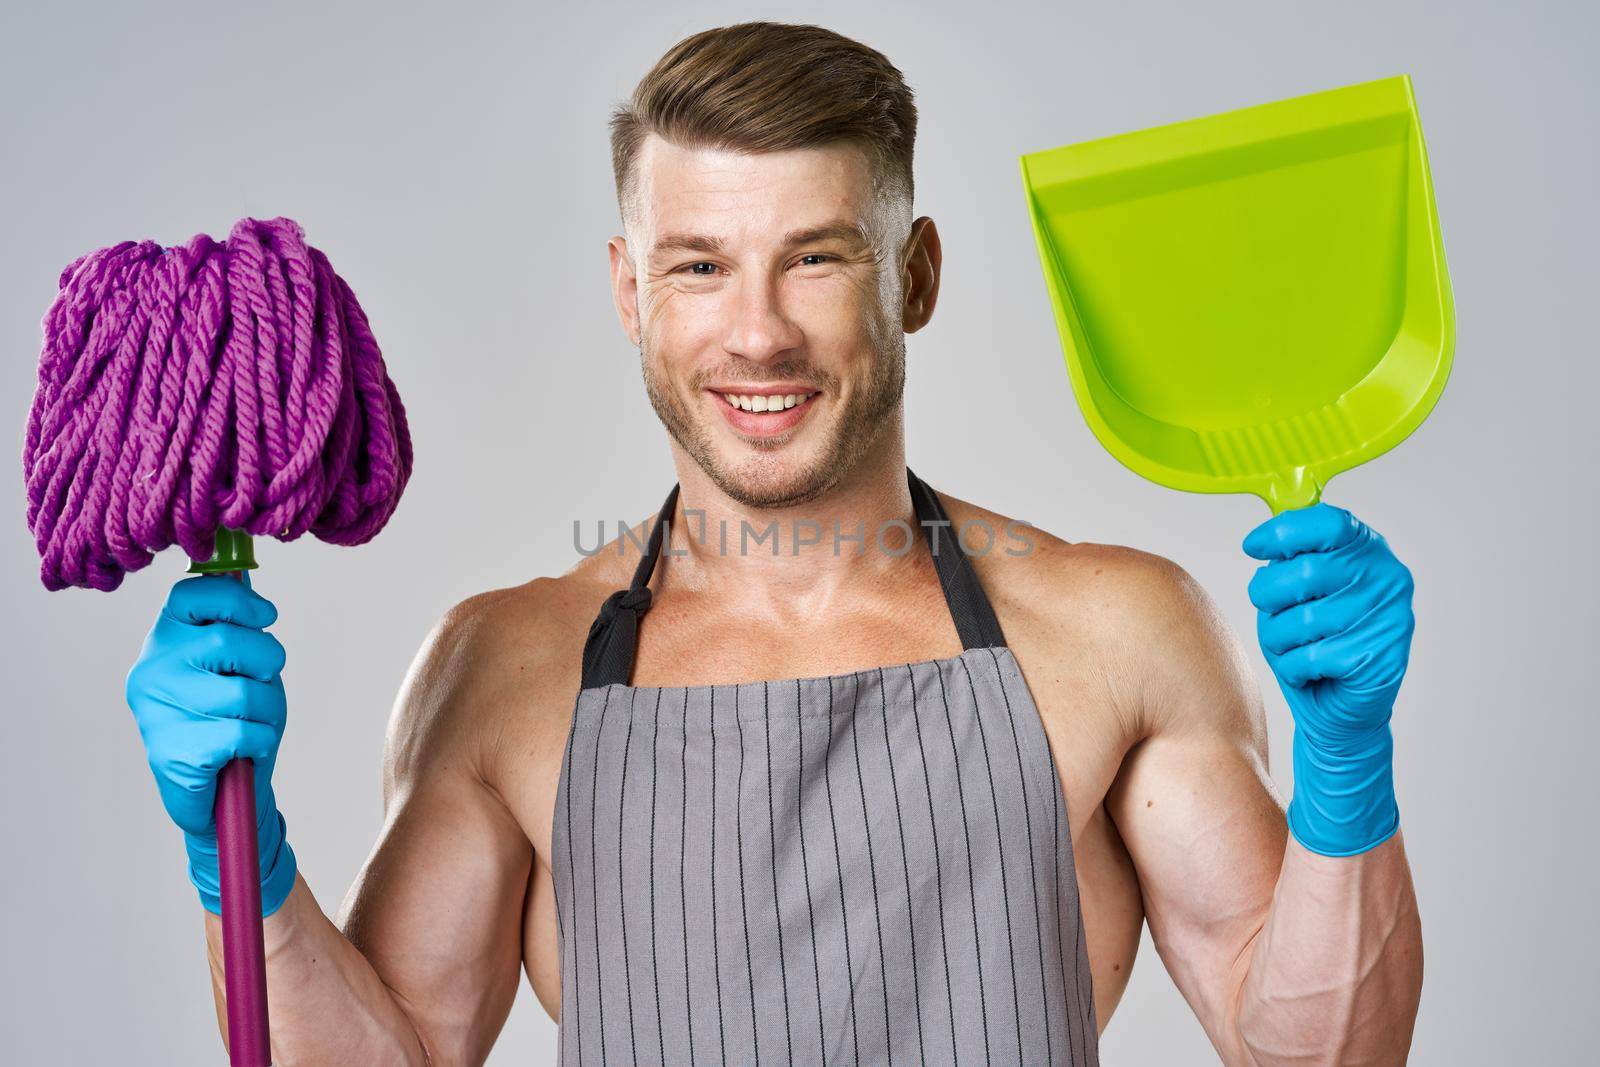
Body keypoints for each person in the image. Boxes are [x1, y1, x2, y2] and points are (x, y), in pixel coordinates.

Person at [125, 20, 1423, 1066]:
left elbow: (1317, 1054)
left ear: (913, 274)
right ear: (631, 289)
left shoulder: (1112, 630)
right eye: (700, 267)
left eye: (816, 259)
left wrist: (1347, 765)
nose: (759, 336)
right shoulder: (509, 667)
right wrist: (237, 856)